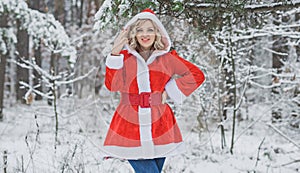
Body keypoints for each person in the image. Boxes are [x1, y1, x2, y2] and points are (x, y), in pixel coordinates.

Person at [103, 8, 205, 173]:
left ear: (157, 32)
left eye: (150, 29)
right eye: (140, 30)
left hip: (160, 124)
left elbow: (197, 75)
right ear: (133, 34)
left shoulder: (167, 58)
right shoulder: (124, 58)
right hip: (130, 124)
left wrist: (169, 91)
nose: (145, 34)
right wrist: (114, 53)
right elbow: (112, 86)